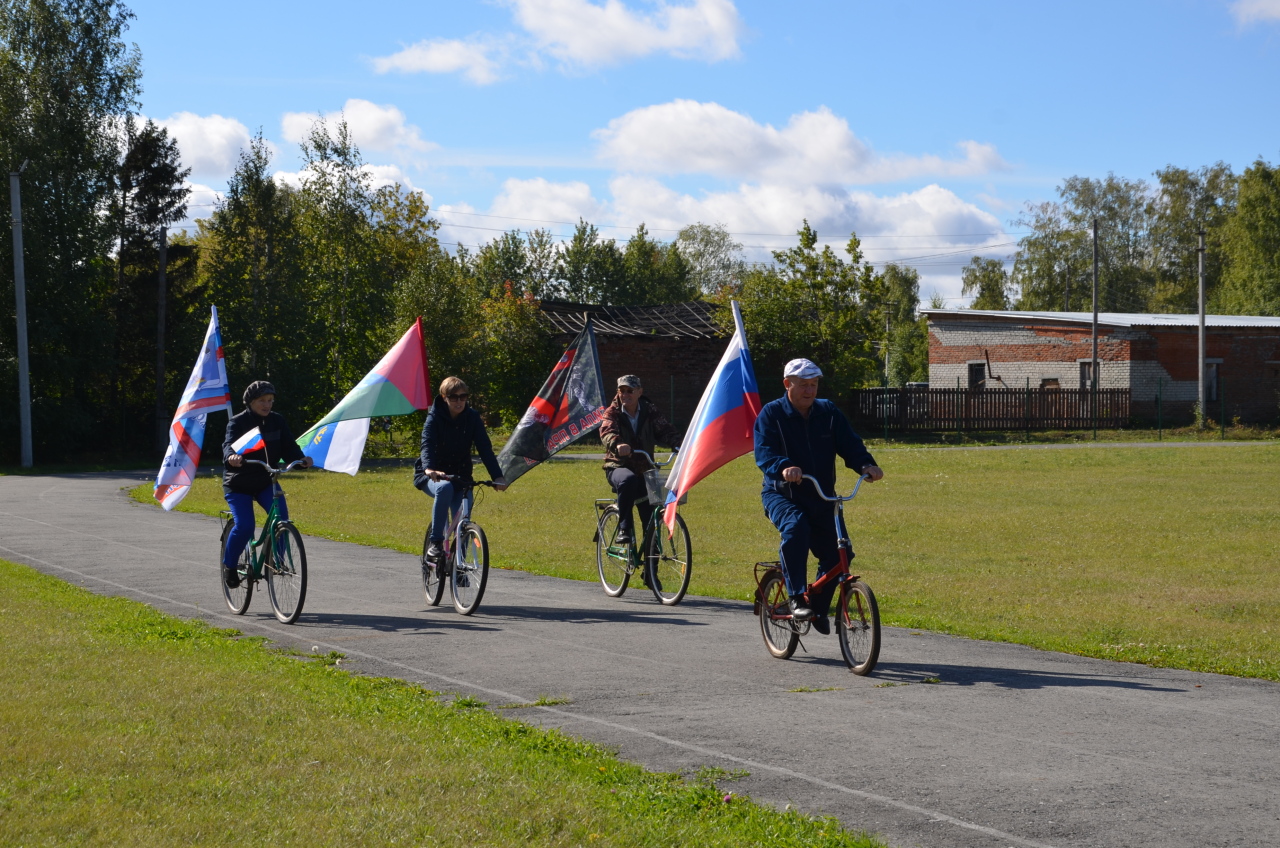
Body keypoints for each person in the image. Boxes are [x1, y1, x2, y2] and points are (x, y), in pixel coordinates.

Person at [753, 358, 884, 635]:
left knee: (842, 554)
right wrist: (783, 467)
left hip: (823, 497)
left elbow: (850, 444)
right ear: (788, 384)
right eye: (803, 385)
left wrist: (866, 465)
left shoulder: (829, 412)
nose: (810, 391)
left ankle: (818, 607)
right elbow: (764, 452)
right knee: (796, 527)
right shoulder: (771, 414)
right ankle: (797, 596)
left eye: (814, 385)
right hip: (783, 494)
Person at [222, 381, 313, 587]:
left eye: (270, 401)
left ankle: (276, 563)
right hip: (238, 483)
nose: (267, 405)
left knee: (281, 519)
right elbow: (228, 446)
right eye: (262, 400)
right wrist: (232, 457)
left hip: (265, 481)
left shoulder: (277, 421)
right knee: (245, 525)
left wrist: (301, 461)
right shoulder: (237, 423)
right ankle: (230, 565)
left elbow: (289, 448)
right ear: (251, 402)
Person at [414, 377, 507, 562]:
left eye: (463, 397)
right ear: (444, 397)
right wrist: (429, 468)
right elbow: (427, 444)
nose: (459, 401)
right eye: (454, 397)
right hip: (433, 475)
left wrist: (498, 476)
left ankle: (460, 565)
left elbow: (485, 449)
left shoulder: (472, 417)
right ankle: (436, 544)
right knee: (444, 489)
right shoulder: (434, 417)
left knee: (463, 521)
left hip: (461, 476)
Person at [600, 374, 681, 547]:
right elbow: (607, 432)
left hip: (645, 469)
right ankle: (625, 528)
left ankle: (651, 572)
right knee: (627, 479)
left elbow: (665, 430)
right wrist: (618, 444)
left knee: (652, 521)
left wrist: (679, 444)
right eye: (622, 390)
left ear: (639, 392)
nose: (625, 394)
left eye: (630, 390)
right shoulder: (612, 412)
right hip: (618, 466)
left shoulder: (649, 410)